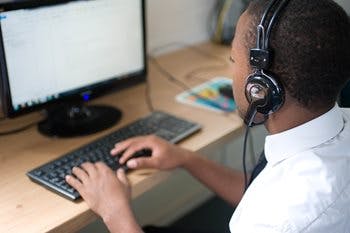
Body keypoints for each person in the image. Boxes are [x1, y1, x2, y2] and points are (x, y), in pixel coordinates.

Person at [65, 0, 350, 232]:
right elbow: (260, 193)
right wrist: (186, 158)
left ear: (261, 87)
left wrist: (116, 214)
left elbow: (272, 210)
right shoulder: (336, 131)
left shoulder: (275, 222)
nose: (231, 72)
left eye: (233, 60)